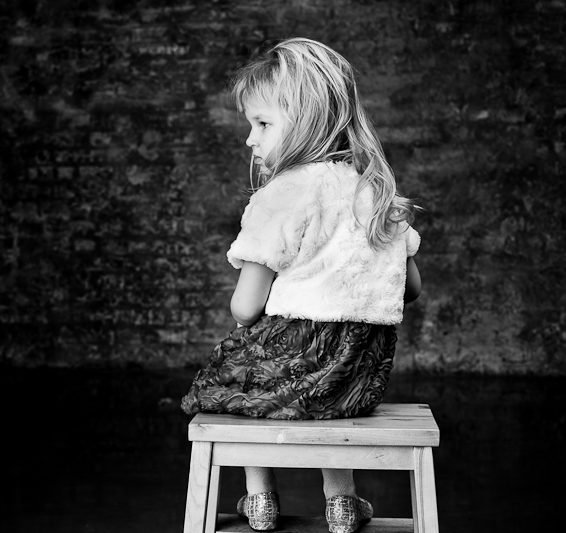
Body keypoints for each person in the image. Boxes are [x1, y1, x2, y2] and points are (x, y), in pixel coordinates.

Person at [180, 38, 422, 533]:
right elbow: (410, 288)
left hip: (296, 363)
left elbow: (246, 307)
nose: (250, 139)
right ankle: (341, 503)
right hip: (358, 378)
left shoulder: (283, 193)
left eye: (262, 124)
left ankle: (260, 498)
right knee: (320, 409)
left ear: (306, 121)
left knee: (234, 381)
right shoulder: (376, 191)